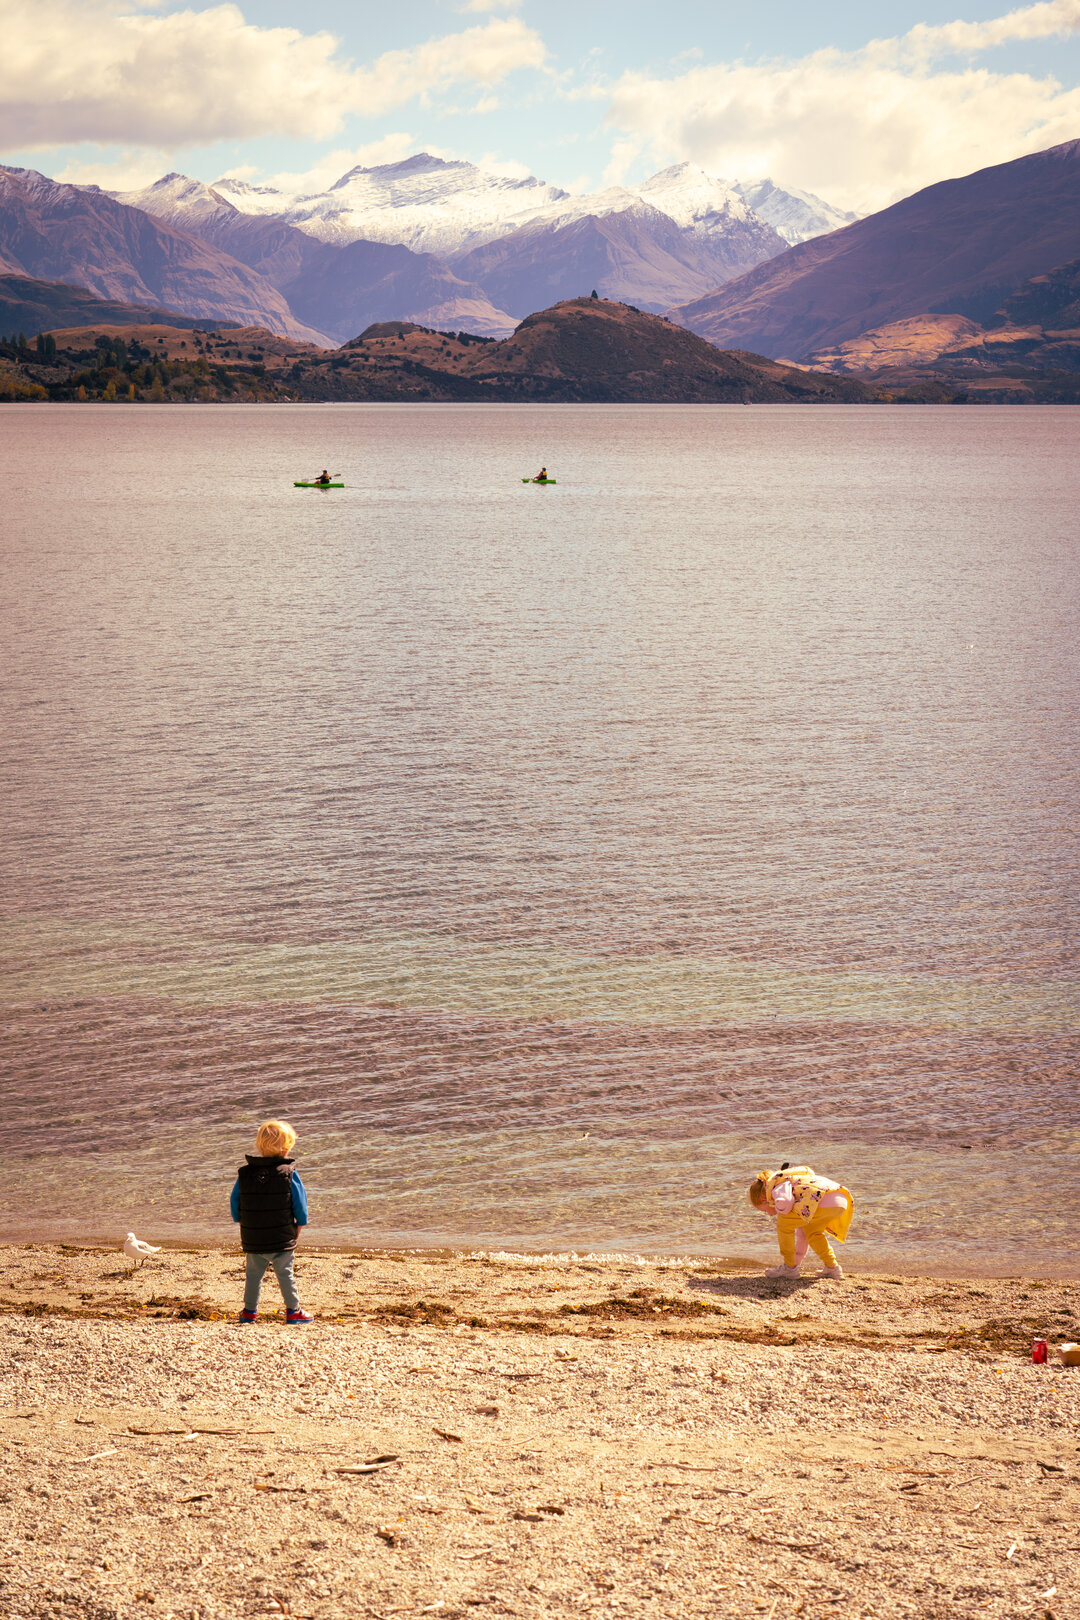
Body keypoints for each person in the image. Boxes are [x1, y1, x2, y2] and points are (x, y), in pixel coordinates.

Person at [230, 1119, 313, 1323]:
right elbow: (300, 1204)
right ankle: (293, 1311)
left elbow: (235, 1201)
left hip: (253, 1235)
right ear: (287, 1147)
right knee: (285, 1273)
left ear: (260, 1146)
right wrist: (300, 1224)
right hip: (281, 1235)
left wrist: (241, 1221)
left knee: (253, 1274)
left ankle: (249, 1311)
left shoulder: (245, 1174)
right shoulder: (289, 1174)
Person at [748, 1163, 854, 1280]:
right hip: (840, 1199)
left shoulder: (776, 1186)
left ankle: (789, 1268)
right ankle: (832, 1267)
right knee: (813, 1232)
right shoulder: (793, 1182)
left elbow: (785, 1201)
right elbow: (802, 1237)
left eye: (764, 1210)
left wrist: (780, 1209)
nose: (769, 1214)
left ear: (764, 1200)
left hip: (819, 1200)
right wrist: (797, 1260)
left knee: (783, 1225)